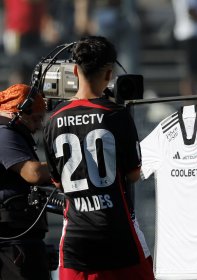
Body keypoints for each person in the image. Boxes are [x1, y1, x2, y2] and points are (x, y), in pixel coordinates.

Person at [43, 36, 154, 280]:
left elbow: (58, 183)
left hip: (76, 237)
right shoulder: (116, 114)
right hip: (117, 233)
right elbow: (133, 174)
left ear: (74, 70)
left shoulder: (52, 120)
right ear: (109, 74)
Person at [0, 84, 51, 279]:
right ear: (20, 112)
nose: (38, 125)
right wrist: (70, 165)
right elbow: (34, 173)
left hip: (19, 236)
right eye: (36, 118)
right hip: (13, 241)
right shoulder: (4, 133)